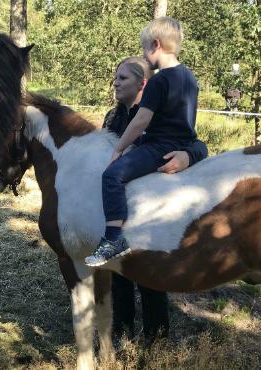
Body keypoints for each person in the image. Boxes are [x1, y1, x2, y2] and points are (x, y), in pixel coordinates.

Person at [101, 56, 208, 346]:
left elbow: (196, 142)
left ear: (142, 84)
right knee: (118, 273)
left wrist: (189, 155)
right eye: (115, 77)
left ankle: (157, 341)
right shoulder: (112, 118)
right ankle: (121, 332)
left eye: (122, 78)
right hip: (120, 208)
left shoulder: (156, 114)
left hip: (151, 213)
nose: (116, 83)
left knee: (149, 279)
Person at [85, 17, 203, 266]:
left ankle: (114, 238)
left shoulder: (160, 80)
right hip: (182, 142)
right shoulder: (190, 77)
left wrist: (119, 148)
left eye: (144, 48)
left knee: (112, 176)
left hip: (159, 146)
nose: (144, 54)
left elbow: (141, 121)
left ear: (156, 45)